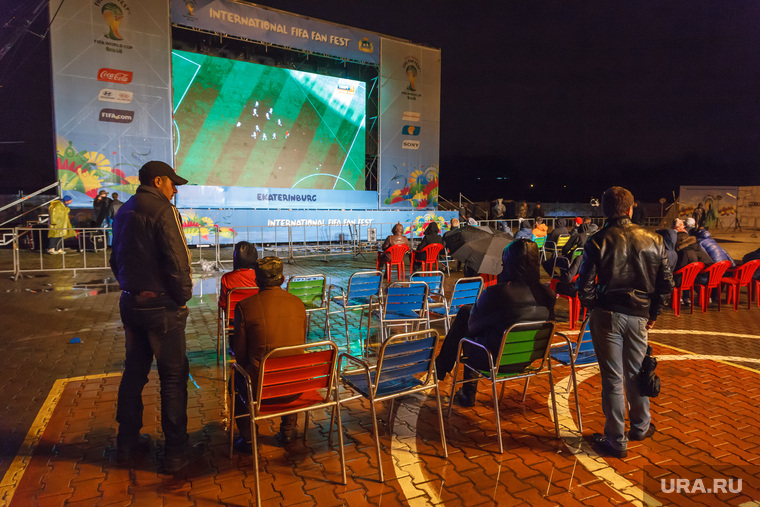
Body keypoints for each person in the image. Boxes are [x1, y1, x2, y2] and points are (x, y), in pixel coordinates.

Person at [110, 160, 199, 472]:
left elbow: (114, 258)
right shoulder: (162, 210)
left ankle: (127, 443)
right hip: (162, 308)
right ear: (158, 181)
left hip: (130, 302)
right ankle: (175, 453)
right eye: (172, 183)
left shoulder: (123, 210)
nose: (175, 189)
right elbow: (178, 260)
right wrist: (182, 297)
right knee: (173, 379)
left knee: (133, 374)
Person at [577, 186, 674, 458]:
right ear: (630, 209)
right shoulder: (654, 239)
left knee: (612, 378)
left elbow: (584, 287)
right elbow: (666, 282)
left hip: (607, 313)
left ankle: (617, 440)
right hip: (640, 314)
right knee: (637, 371)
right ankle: (641, 426)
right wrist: (654, 313)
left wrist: (595, 307)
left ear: (605, 210)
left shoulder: (598, 240)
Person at [434, 239, 555, 406]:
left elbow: (473, 327)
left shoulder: (498, 293)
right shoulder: (547, 293)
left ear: (509, 264)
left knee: (465, 318)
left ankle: (446, 375)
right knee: (471, 318)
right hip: (529, 359)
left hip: (494, 359)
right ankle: (442, 370)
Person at [230, 256, 307, 452]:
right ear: (282, 279)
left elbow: (239, 355)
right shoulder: (298, 304)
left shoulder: (245, 307)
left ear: (257, 281)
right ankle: (289, 429)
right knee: (289, 361)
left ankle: (249, 438)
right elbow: (299, 343)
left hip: (261, 388)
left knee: (236, 378)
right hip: (296, 386)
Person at [219, 241, 259, 310]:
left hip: (233, 317)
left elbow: (223, 303)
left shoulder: (226, 278)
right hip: (256, 315)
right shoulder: (260, 275)